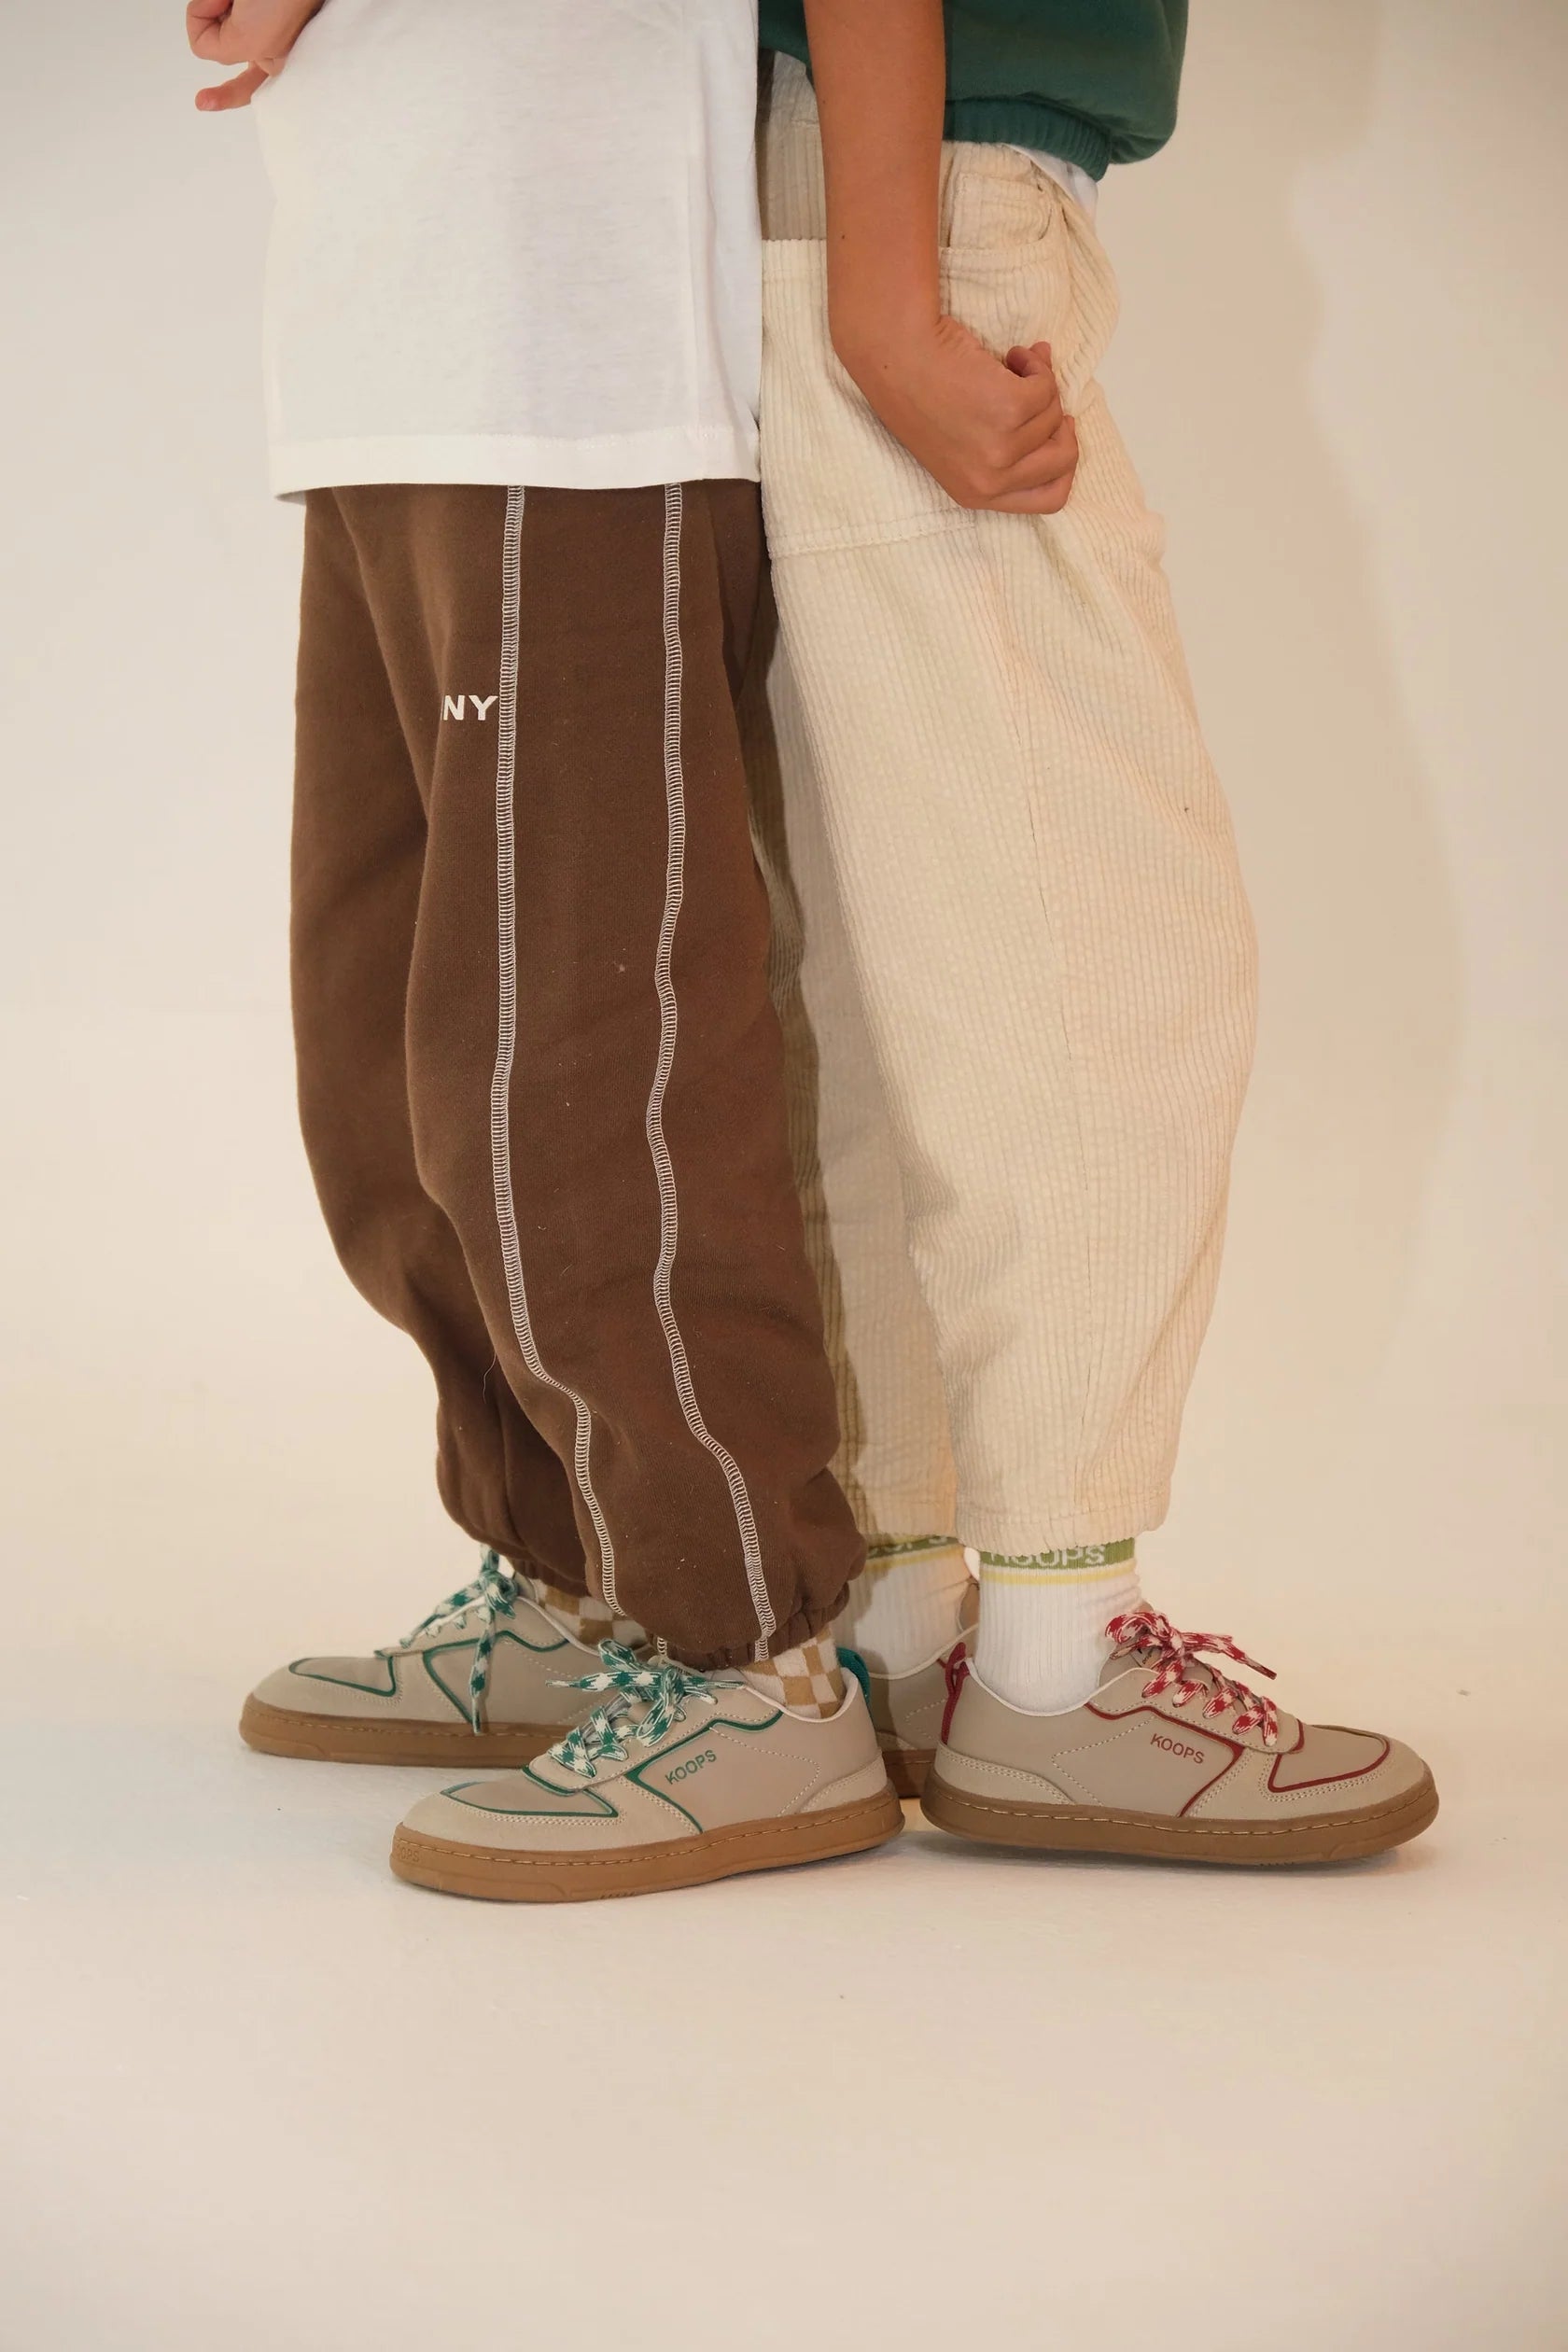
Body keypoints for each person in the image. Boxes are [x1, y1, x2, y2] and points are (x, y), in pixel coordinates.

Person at [190, 0, 913, 1898]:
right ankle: (577, 1580)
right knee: (382, 1062)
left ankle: (748, 1660)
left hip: (573, 363)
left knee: (579, 1065)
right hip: (379, 355)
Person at [744, 0, 1436, 1861]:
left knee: (891, 958)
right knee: (1089, 953)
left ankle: (900, 1613)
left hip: (830, 175)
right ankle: (1054, 1670)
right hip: (922, 192)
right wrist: (895, 304)